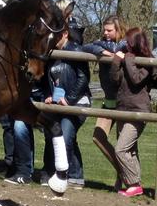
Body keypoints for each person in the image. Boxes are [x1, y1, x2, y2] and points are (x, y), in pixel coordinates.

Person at [39, 26, 90, 187]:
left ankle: (62, 174)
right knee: (55, 136)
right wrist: (48, 94)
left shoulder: (76, 51)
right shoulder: (51, 53)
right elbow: (46, 78)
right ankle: (74, 176)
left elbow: (84, 78)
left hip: (77, 102)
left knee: (65, 136)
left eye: (55, 36)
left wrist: (69, 99)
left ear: (65, 34)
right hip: (56, 102)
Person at [80, 14, 127, 186]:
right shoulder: (101, 44)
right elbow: (87, 47)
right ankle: (121, 171)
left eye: (110, 30)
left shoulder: (127, 45)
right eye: (104, 30)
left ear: (119, 29)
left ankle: (126, 179)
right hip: (109, 101)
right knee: (98, 137)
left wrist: (116, 55)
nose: (106, 33)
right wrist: (104, 53)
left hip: (123, 102)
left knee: (124, 146)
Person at [111, 27, 155, 197]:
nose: (125, 45)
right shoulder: (125, 58)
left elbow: (136, 79)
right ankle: (134, 185)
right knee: (130, 150)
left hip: (138, 110)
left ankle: (134, 184)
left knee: (120, 149)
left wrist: (128, 59)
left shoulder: (147, 61)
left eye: (127, 42)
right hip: (122, 108)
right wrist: (116, 61)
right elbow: (115, 79)